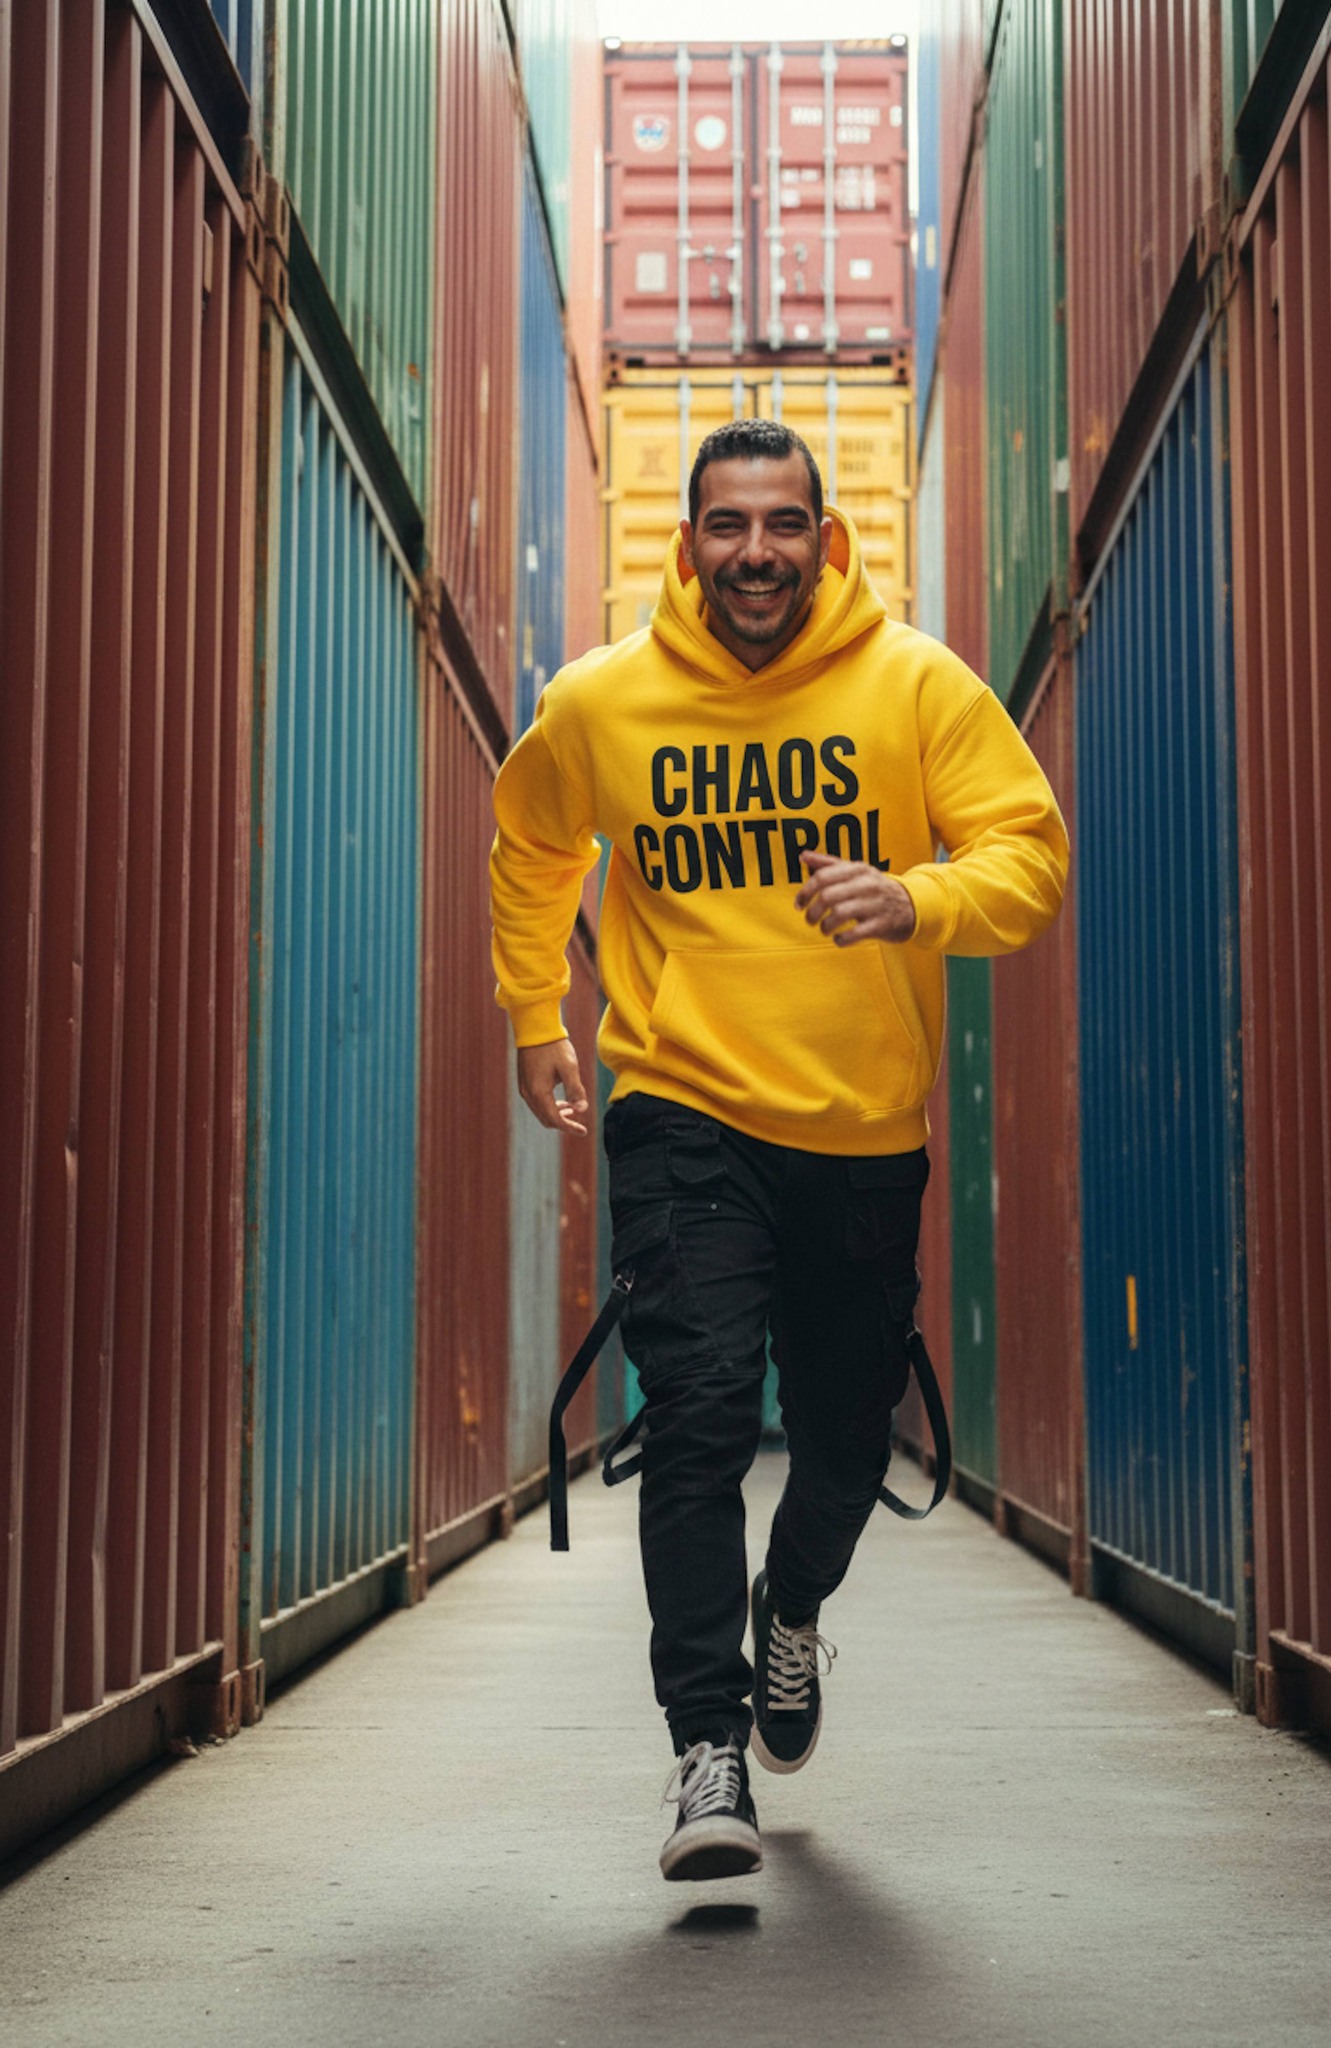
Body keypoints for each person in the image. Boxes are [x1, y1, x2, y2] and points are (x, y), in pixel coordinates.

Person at [489, 418, 1067, 1883]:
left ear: (826, 537)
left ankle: (791, 1609)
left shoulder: (914, 684)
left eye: (783, 524)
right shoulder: (604, 701)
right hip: (679, 1106)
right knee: (691, 1411)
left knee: (847, 1436)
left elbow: (1031, 856)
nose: (757, 552)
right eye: (730, 525)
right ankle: (706, 1749)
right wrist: (534, 1014)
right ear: (688, 544)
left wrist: (917, 899)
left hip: (861, 1125)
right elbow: (532, 840)